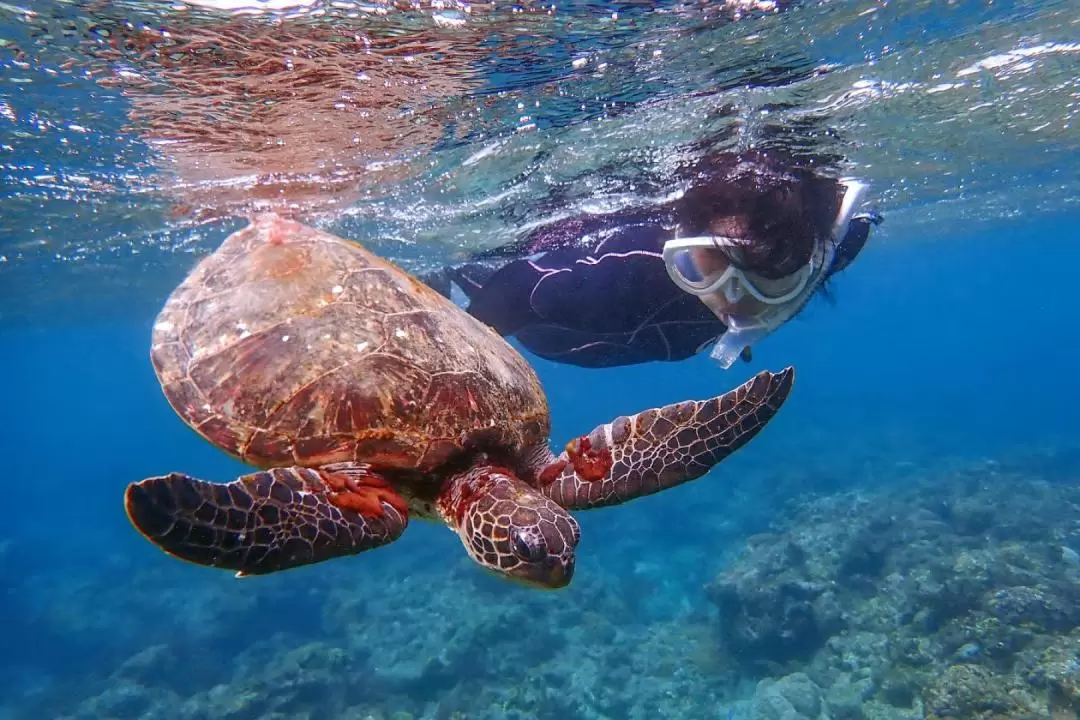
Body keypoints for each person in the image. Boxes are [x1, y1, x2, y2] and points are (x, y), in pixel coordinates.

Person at [423, 149, 882, 369]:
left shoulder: (830, 245)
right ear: (688, 244)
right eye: (715, 261)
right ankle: (453, 274)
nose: (738, 297)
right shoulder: (632, 276)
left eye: (774, 266)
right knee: (482, 288)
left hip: (660, 343)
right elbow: (516, 291)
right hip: (562, 336)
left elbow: (860, 221)